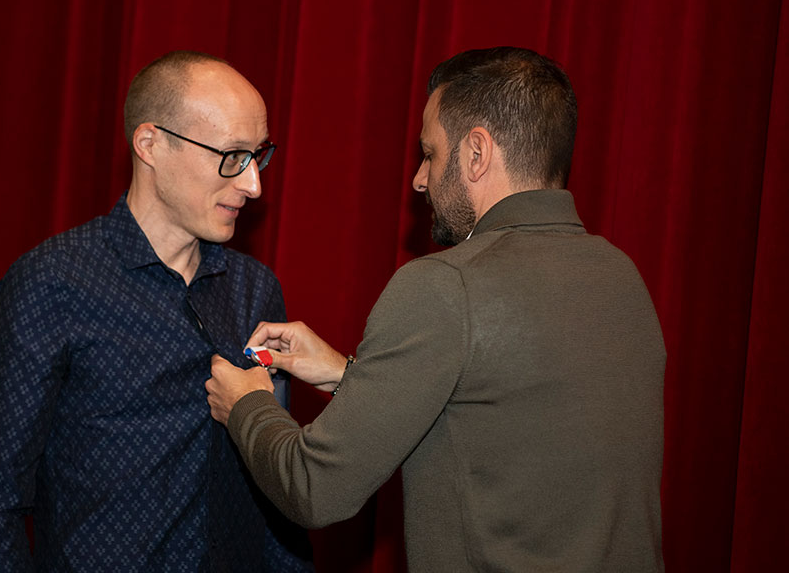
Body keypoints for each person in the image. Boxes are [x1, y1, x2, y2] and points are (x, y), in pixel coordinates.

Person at [206, 47, 666, 572]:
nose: (419, 179)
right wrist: (345, 373)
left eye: (430, 153)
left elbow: (315, 488)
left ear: (476, 153)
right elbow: (498, 417)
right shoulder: (619, 274)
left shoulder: (445, 283)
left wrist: (247, 404)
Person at [0, 51, 312, 572]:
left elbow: (275, 488)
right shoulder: (52, 284)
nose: (253, 184)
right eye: (231, 156)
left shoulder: (255, 290)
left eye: (259, 155)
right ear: (150, 145)